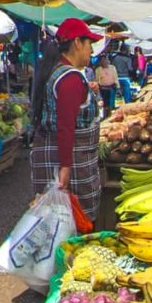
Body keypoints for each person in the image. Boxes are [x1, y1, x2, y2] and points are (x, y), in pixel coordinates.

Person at [29, 18, 104, 220]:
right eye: (90, 44)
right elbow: (65, 126)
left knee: (55, 220)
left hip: (54, 155)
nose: (92, 50)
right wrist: (65, 168)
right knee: (72, 220)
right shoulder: (69, 78)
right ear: (77, 43)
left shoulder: (56, 71)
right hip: (70, 161)